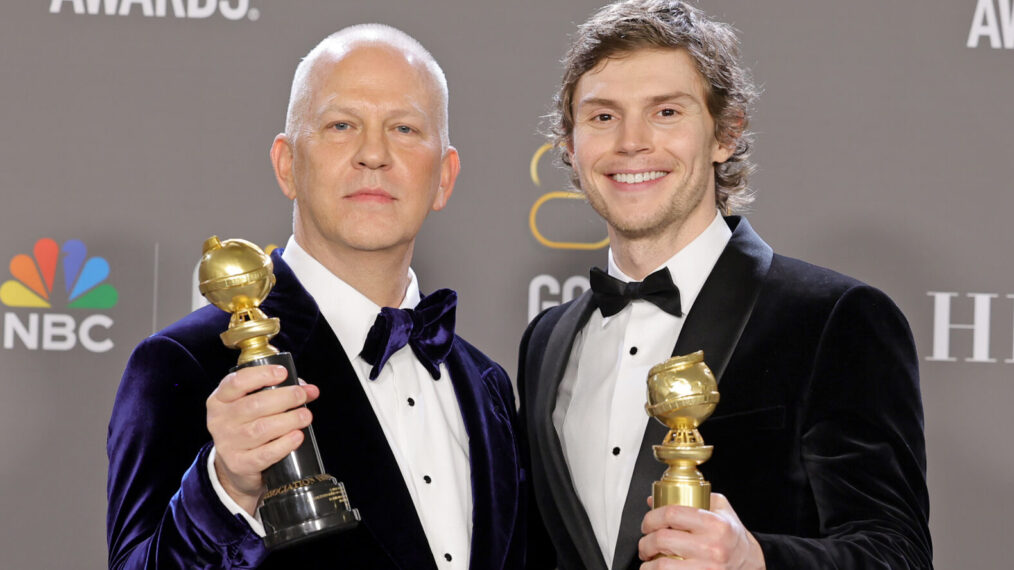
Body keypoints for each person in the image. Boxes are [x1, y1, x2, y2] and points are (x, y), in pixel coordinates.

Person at [517, 1, 931, 568]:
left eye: (666, 112)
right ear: (570, 145)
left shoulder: (835, 319)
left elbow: (896, 553)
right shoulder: (547, 339)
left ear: (725, 134)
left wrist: (756, 559)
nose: (631, 142)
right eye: (603, 116)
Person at [107, 24, 525, 569]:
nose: (373, 153)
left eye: (404, 128)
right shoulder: (188, 361)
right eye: (341, 124)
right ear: (287, 165)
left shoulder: (486, 384)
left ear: (444, 177)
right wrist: (224, 488)